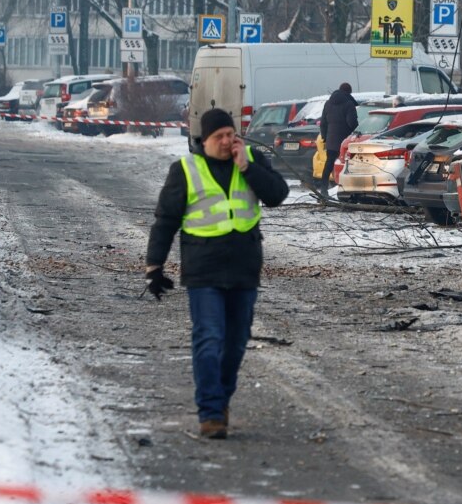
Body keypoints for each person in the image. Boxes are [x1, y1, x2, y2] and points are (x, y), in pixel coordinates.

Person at [144, 108, 289, 439]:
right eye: (218, 137)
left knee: (235, 344)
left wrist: (247, 168)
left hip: (244, 269)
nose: (227, 141)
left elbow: (277, 195)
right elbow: (165, 221)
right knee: (209, 339)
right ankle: (210, 413)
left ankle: (221, 398)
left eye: (230, 134)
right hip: (203, 270)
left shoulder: (252, 159)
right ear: (203, 140)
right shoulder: (185, 169)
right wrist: (154, 266)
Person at [317, 81, 358, 194]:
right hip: (345, 140)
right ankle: (347, 189)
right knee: (348, 165)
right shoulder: (349, 104)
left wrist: (325, 137)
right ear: (349, 92)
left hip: (331, 139)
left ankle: (324, 190)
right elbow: (352, 123)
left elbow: (323, 123)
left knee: (329, 164)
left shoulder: (328, 103)